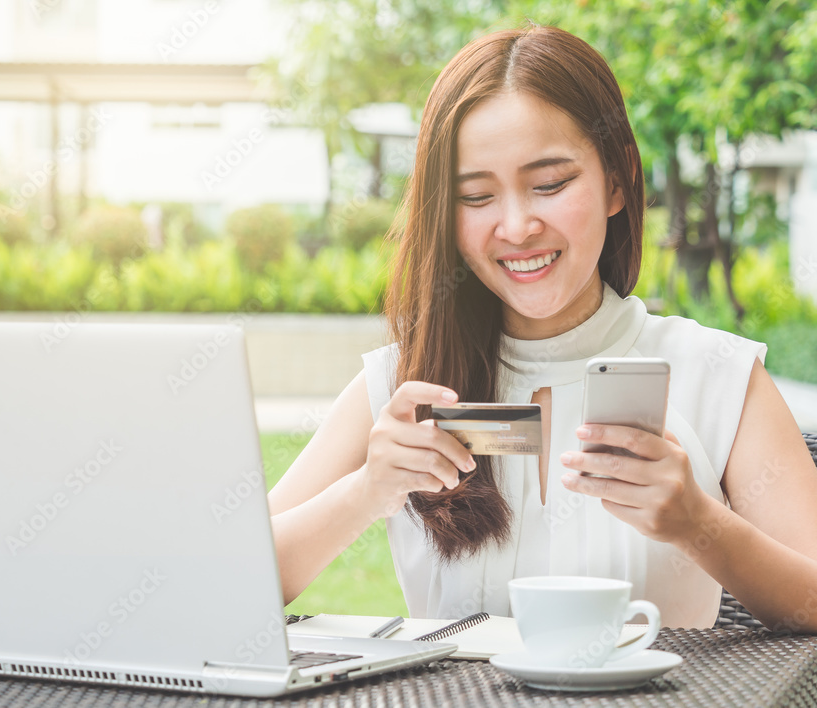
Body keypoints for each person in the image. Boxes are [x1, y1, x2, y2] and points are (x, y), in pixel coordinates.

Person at [267, 24, 817, 630]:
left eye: (550, 185)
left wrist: (698, 523)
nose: (517, 225)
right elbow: (232, 583)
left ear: (617, 179)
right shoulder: (403, 384)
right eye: (476, 197)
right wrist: (365, 492)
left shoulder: (719, 374)